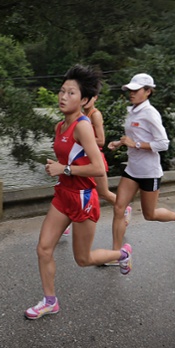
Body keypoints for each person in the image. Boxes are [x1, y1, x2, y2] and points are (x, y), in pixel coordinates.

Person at [24, 65, 132, 320]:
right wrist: (58, 167)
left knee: (83, 259)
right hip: (63, 194)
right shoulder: (60, 126)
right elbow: (70, 158)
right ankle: (50, 301)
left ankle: (123, 254)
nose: (63, 96)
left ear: (84, 99)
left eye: (71, 93)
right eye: (62, 91)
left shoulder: (83, 126)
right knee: (43, 248)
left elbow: (97, 167)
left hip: (83, 198)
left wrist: (66, 168)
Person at [107, 73, 175, 260]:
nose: (131, 93)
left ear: (148, 92)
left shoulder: (151, 113)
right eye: (130, 90)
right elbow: (134, 136)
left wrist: (134, 144)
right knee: (119, 208)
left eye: (136, 90)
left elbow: (163, 144)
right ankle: (116, 254)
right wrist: (120, 143)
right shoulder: (132, 110)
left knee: (149, 214)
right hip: (132, 170)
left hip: (149, 172)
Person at [62, 94, 133, 242]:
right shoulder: (79, 115)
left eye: (90, 97)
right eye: (85, 97)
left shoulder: (96, 115)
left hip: (95, 159)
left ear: (95, 98)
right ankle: (64, 223)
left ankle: (124, 208)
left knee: (104, 193)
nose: (87, 100)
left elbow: (101, 140)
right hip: (80, 158)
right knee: (70, 188)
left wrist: (80, 137)